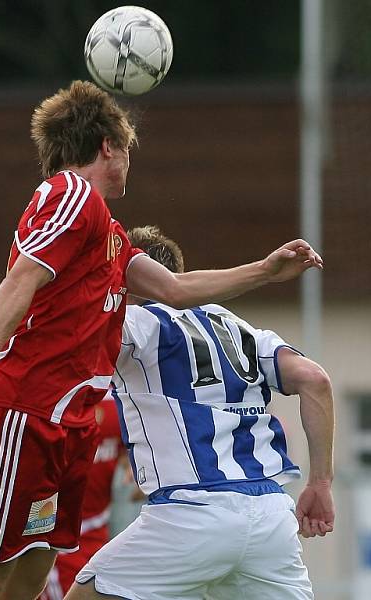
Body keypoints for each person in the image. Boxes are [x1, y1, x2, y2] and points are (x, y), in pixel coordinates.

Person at [0, 80, 322, 600]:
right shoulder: (71, 193)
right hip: (23, 411)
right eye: (128, 148)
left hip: (69, 425)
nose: (130, 159)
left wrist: (266, 271)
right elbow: (21, 277)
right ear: (108, 145)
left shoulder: (106, 231)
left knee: (29, 577)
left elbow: (175, 289)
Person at [67, 226, 335, 600]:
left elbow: (67, 334)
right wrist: (320, 482)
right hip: (271, 517)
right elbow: (315, 380)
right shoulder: (242, 331)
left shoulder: (137, 323)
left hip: (190, 512)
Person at [39, 391, 143, 600]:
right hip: (50, 536)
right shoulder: (48, 397)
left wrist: (141, 463)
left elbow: (135, 445)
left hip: (98, 533)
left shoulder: (122, 399)